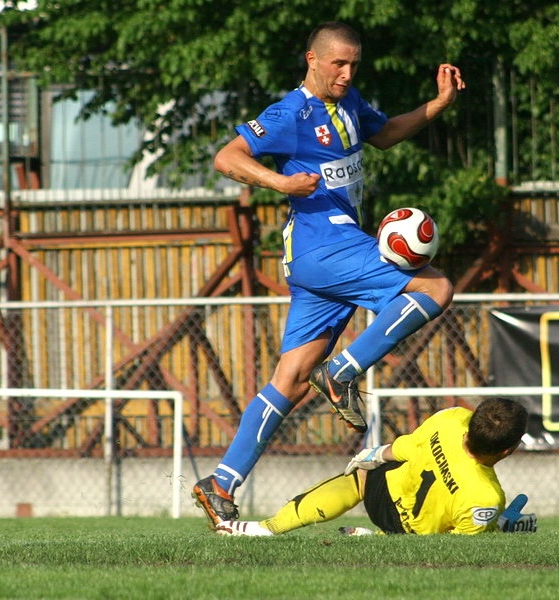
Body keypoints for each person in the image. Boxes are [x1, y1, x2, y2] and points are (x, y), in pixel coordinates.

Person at [192, 21, 466, 528]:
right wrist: (281, 182)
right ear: (311, 60)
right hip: (324, 243)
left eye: (353, 64)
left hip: (323, 258)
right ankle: (341, 373)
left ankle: (221, 482)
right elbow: (226, 156)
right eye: (338, 63)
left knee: (290, 381)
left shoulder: (350, 103)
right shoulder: (289, 113)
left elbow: (384, 135)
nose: (346, 73)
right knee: (435, 286)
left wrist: (440, 103)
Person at [215, 397, 536, 536]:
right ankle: (381, 539)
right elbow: (459, 551)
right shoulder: (486, 498)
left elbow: (405, 447)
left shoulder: (452, 419)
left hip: (381, 494)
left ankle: (268, 528)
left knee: (358, 478)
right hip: (407, 532)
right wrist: (502, 523)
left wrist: (373, 454)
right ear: (508, 450)